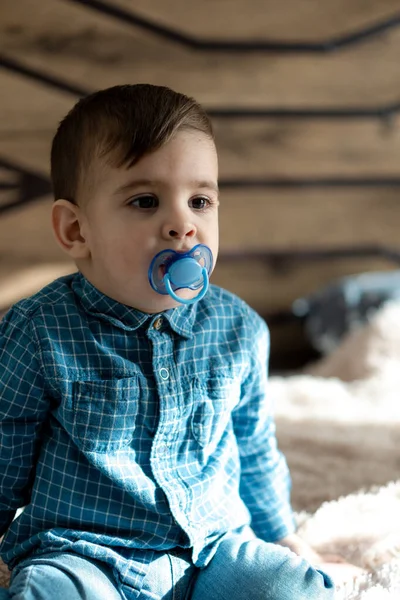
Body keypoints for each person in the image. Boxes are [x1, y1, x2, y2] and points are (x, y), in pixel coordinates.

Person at [0, 84, 358, 600]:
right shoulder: (39, 333)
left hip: (211, 548)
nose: (182, 225)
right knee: (52, 592)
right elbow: (5, 450)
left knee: (288, 585)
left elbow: (254, 443)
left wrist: (284, 536)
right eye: (145, 201)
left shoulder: (238, 330)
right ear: (77, 229)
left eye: (200, 200)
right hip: (87, 552)